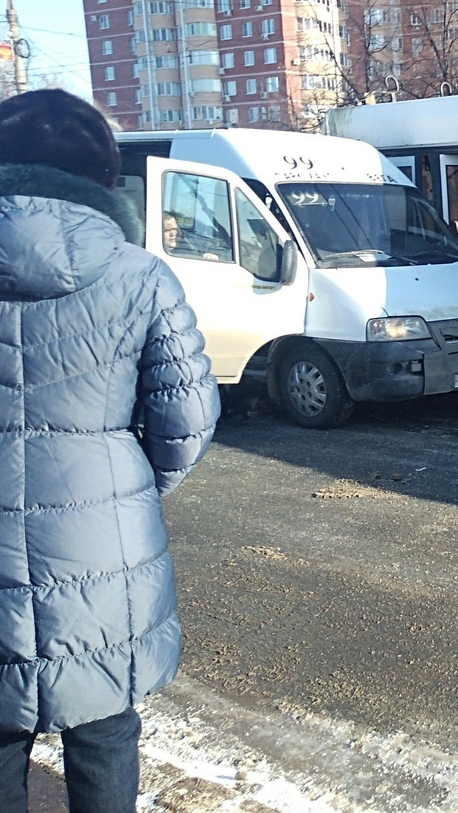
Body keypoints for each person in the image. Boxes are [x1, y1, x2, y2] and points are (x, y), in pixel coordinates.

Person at [0, 90, 220, 813]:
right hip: (103, 550)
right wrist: (125, 488)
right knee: (103, 733)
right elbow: (186, 422)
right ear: (102, 177)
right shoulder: (140, 275)